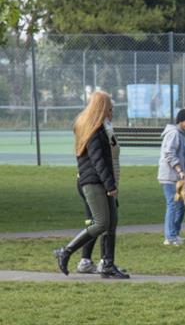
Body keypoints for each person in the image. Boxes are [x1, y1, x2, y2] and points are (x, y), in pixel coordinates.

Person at [53, 91, 129, 279]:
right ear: (102, 107)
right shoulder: (93, 130)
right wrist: (110, 185)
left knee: (112, 223)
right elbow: (98, 161)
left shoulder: (101, 127)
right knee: (101, 222)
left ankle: (108, 265)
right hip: (93, 182)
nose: (112, 111)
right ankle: (66, 251)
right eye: (110, 108)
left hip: (102, 180)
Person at [157, 108, 185, 245]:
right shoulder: (174, 134)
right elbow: (169, 154)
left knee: (180, 206)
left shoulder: (181, 134)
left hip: (179, 178)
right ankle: (170, 237)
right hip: (171, 177)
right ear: (180, 121)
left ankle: (174, 234)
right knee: (173, 205)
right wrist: (179, 170)